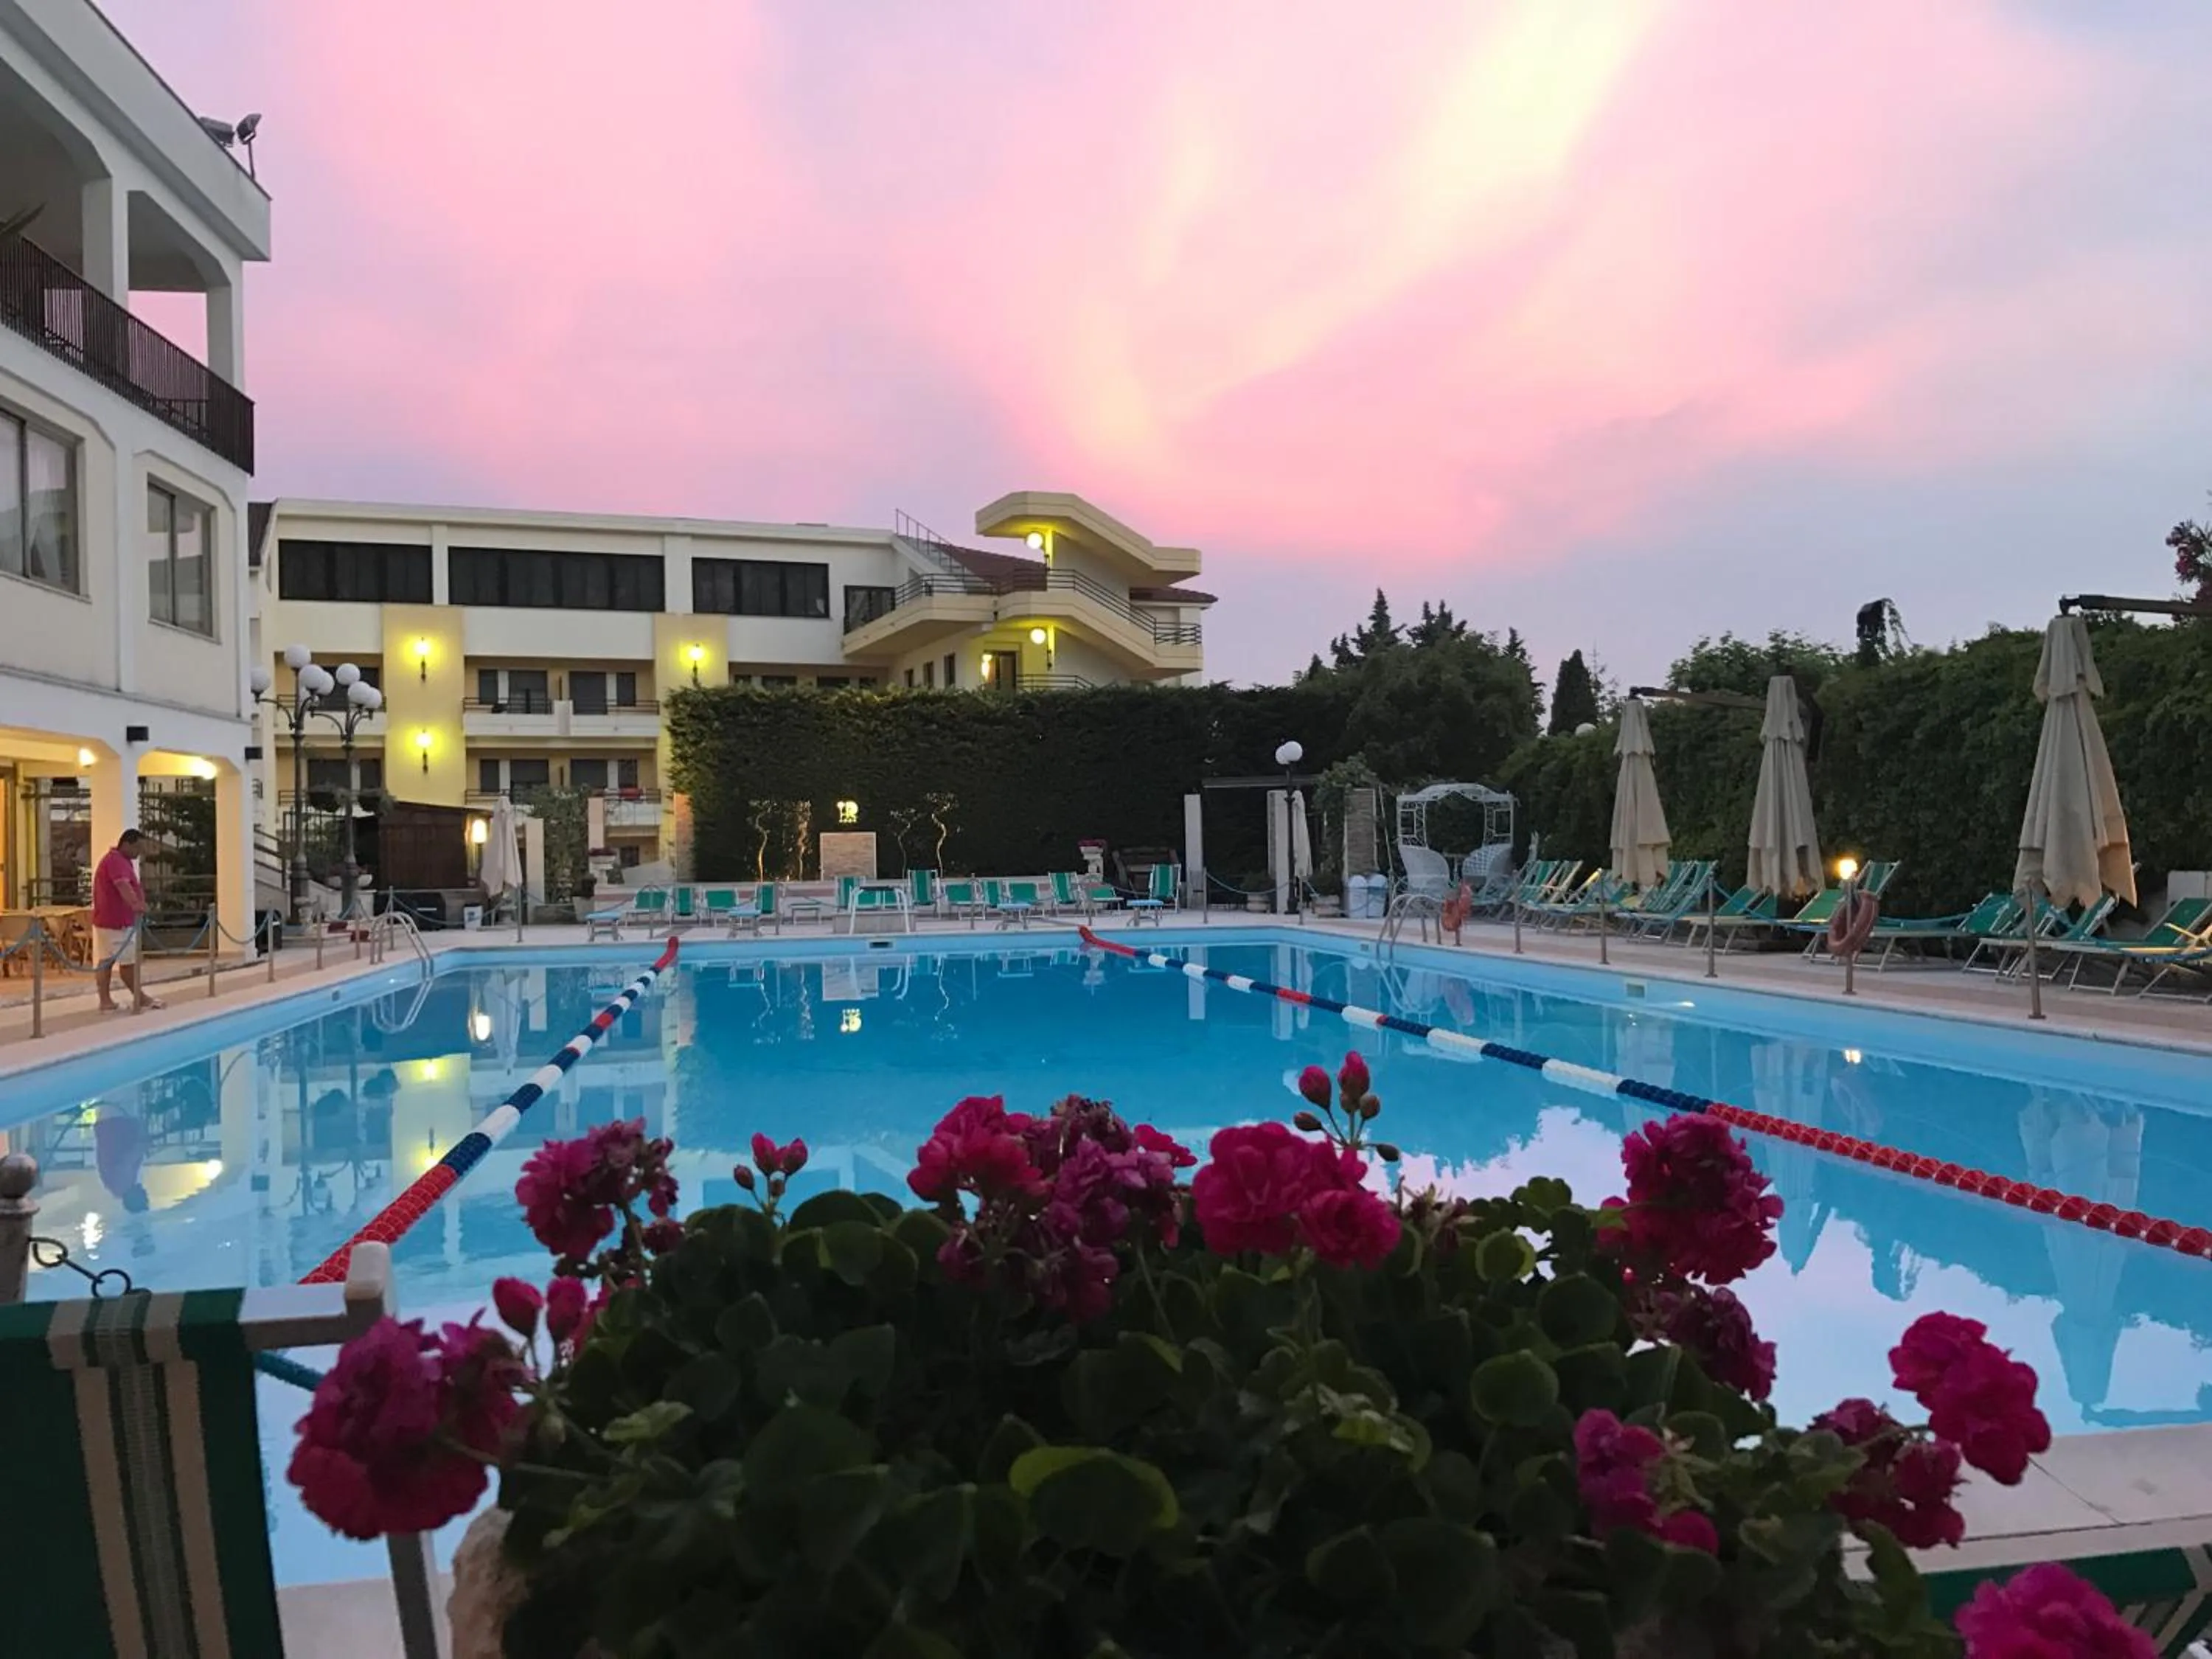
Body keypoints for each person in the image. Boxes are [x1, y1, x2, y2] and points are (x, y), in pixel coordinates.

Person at [92, 828, 161, 1012]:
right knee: (127, 962)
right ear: (127, 844)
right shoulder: (116, 861)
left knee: (106, 960)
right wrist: (137, 904)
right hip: (117, 922)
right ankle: (140, 997)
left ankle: (106, 1001)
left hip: (109, 920)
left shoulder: (120, 861)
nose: (139, 853)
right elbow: (122, 885)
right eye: (137, 848)